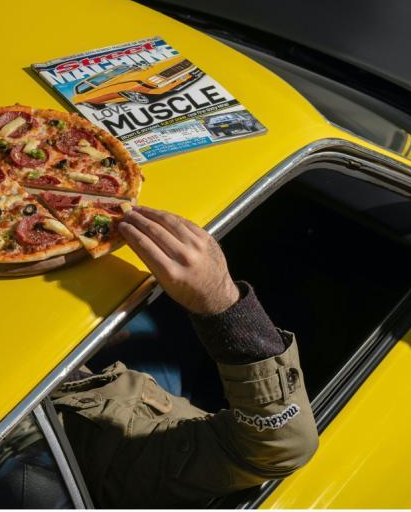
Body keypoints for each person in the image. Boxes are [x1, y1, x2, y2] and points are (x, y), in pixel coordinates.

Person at [50, 206, 319, 508]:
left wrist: (216, 298)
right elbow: (282, 448)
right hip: (128, 410)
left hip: (96, 403)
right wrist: (217, 298)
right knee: (166, 320)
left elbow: (284, 448)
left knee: (160, 315)